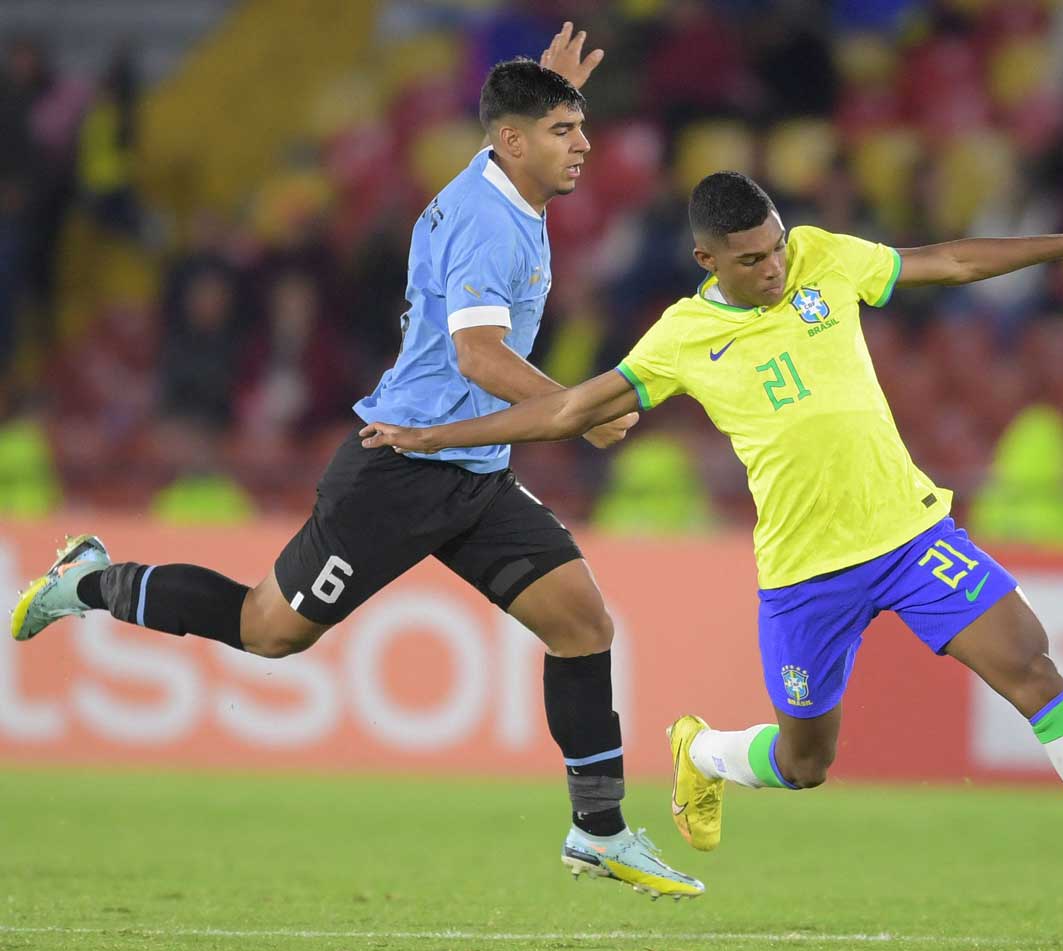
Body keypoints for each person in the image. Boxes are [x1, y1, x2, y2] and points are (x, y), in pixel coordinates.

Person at [358, 171, 1063, 908]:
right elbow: (563, 413)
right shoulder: (682, 336)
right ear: (708, 259)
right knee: (805, 762)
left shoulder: (826, 259)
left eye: (778, 243)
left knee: (1030, 661)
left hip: (910, 536)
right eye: (751, 259)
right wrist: (428, 437)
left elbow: (946, 259)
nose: (775, 266)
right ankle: (703, 752)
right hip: (804, 576)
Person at [9, 25, 703, 902]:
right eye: (565, 130)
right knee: (269, 630)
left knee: (582, 625)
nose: (586, 144)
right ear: (513, 143)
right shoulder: (494, 225)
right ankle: (92, 580)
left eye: (580, 126)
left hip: (476, 473)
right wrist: (575, 409)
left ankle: (598, 832)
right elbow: (479, 358)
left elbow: (506, 144)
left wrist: (545, 90)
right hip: (399, 469)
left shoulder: (495, 177)